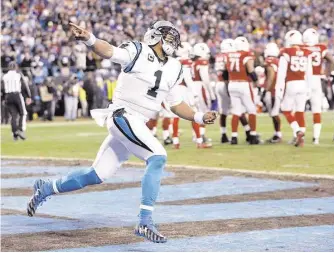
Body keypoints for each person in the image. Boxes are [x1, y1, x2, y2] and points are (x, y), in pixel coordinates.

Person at [26, 21, 217, 243]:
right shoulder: (138, 50)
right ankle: (145, 221)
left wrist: (199, 117)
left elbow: (175, 104)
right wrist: (90, 38)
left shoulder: (175, 67)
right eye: (168, 36)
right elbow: (109, 51)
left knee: (96, 175)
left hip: (137, 122)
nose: (173, 41)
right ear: (156, 37)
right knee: (157, 157)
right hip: (123, 115)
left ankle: (47, 188)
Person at [276, 30, 312, 147]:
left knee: (286, 110)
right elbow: (309, 73)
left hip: (291, 83)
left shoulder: (286, 52)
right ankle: (300, 138)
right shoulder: (306, 52)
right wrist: (309, 88)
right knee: (300, 111)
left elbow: (281, 74)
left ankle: (297, 131)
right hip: (303, 83)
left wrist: (279, 88)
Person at [302, 28, 334, 144]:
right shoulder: (321, 48)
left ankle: (299, 134)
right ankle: (316, 138)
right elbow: (333, 61)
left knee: (299, 108)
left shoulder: (301, 48)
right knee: (316, 109)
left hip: (303, 79)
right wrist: (326, 75)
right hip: (317, 79)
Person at [226, 36, 260, 145]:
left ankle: (234, 137)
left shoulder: (228, 55)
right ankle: (253, 135)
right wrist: (256, 81)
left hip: (232, 84)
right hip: (243, 83)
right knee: (252, 110)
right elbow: (250, 70)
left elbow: (226, 71)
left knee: (236, 111)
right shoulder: (246, 55)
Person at [172, 42, 201, 149]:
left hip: (174, 89)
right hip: (184, 89)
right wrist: (194, 93)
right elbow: (188, 78)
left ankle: (175, 141)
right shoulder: (186, 61)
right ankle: (199, 140)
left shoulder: (174, 61)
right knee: (194, 114)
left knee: (175, 115)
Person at [191, 42, 215, 147]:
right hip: (201, 87)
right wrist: (212, 94)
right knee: (203, 113)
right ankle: (200, 136)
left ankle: (197, 136)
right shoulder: (202, 62)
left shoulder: (192, 62)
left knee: (196, 113)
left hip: (192, 87)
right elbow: (205, 79)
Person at [1, 62, 31, 140]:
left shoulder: (4, 76)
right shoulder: (18, 75)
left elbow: (2, 88)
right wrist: (28, 96)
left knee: (14, 115)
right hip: (16, 95)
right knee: (23, 113)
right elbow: (24, 85)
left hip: (8, 96)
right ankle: (20, 129)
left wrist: (3, 98)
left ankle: (14, 133)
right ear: (16, 67)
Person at [215, 39, 234, 143]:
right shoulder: (228, 56)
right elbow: (227, 71)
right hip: (227, 83)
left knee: (223, 111)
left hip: (218, 83)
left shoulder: (219, 56)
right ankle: (248, 132)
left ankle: (223, 134)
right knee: (237, 109)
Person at [263, 42, 282, 143]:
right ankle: (277, 134)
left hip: (273, 90)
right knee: (274, 113)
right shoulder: (279, 61)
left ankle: (278, 134)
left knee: (274, 113)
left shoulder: (269, 61)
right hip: (278, 89)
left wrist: (266, 89)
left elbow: (271, 75)